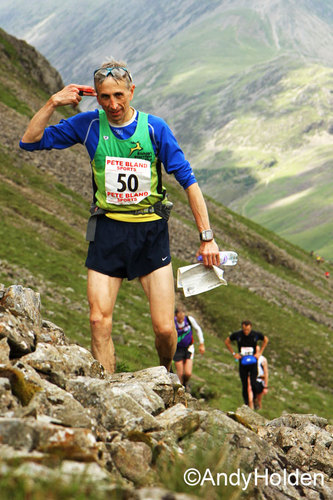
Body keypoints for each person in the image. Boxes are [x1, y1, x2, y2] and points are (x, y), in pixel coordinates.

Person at [19, 58, 220, 374]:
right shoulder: (87, 125)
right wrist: (53, 101)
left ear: (132, 91)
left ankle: (164, 374)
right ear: (96, 97)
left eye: (119, 96)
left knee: (165, 330)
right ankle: (107, 390)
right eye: (105, 97)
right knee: (98, 320)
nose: (113, 104)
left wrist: (206, 238)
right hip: (108, 231)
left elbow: (188, 182)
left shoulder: (155, 128)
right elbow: (29, 141)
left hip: (150, 232)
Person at [225, 320, 268, 406]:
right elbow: (227, 341)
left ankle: (255, 399)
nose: (246, 332)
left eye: (248, 330)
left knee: (253, 382)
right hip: (243, 362)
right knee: (244, 384)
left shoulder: (255, 335)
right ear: (242, 328)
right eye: (244, 330)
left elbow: (266, 340)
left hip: (253, 362)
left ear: (250, 327)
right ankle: (246, 403)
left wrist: (259, 353)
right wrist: (234, 353)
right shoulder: (238, 335)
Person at [173, 306, 205, 390]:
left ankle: (185, 383)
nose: (181, 318)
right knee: (179, 373)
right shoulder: (173, 322)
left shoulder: (189, 320)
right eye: (179, 315)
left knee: (188, 373)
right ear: (176, 315)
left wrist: (201, 343)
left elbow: (198, 329)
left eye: (183, 314)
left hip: (189, 348)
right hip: (177, 349)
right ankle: (181, 391)